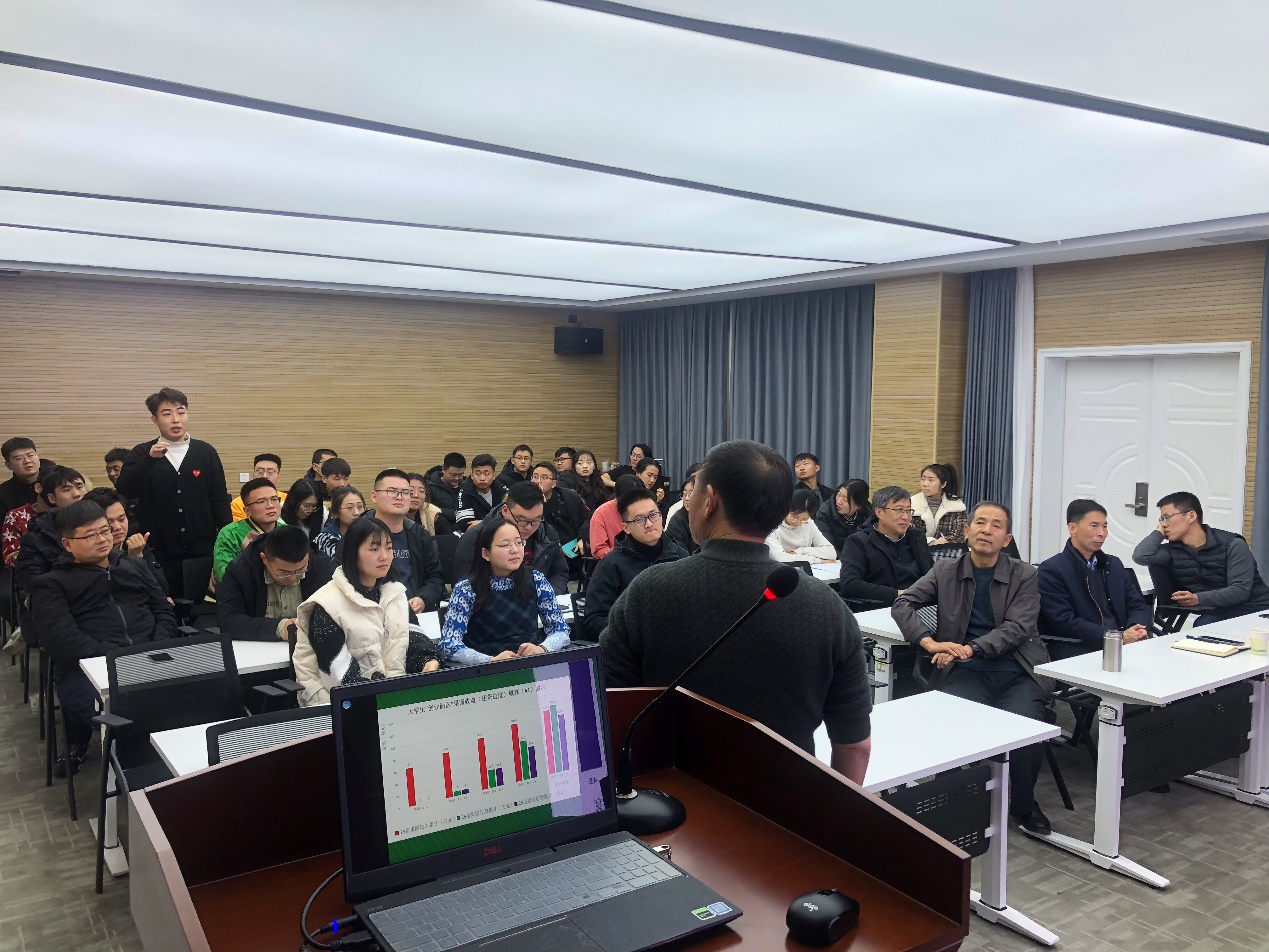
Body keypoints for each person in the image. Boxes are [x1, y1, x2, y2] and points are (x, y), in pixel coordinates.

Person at [601, 440, 872, 782]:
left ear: (710, 499)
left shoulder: (648, 591)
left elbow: (608, 712)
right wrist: (829, 811)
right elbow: (855, 746)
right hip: (787, 804)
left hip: (670, 801)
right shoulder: (828, 608)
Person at [892, 501, 1052, 833]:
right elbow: (903, 603)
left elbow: (1018, 628)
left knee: (1028, 728)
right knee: (952, 726)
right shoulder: (945, 571)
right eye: (980, 523)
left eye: (996, 525)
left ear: (1007, 539)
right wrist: (928, 642)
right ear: (966, 531)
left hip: (1017, 672)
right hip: (966, 672)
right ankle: (955, 799)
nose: (986, 530)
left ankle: (1023, 804)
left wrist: (970, 648)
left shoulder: (1025, 574)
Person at [30, 500, 175, 775]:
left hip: (151, 658)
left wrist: (156, 647)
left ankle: (170, 775)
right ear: (67, 544)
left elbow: (163, 610)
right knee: (135, 717)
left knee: (198, 699)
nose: (102, 540)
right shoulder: (51, 584)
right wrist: (120, 658)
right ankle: (141, 781)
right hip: (89, 671)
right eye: (90, 535)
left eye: (105, 531)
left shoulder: (134, 566)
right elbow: (62, 641)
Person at [292, 517, 440, 707]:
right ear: (353, 553)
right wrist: (390, 699)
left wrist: (428, 661)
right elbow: (341, 677)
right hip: (338, 705)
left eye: (389, 548)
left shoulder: (395, 593)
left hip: (390, 697)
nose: (384, 556)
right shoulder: (327, 604)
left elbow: (414, 637)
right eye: (374, 549)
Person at [115, 387, 232, 596]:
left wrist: (225, 541)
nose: (175, 419)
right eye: (167, 414)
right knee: (168, 604)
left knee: (204, 604)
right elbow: (124, 489)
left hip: (202, 549)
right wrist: (149, 460)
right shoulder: (142, 452)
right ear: (155, 420)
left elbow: (219, 500)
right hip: (159, 551)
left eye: (181, 412)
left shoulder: (205, 452)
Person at [439, 518, 572, 666]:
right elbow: (449, 645)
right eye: (505, 545)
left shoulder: (536, 579)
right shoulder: (466, 589)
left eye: (519, 543)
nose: (515, 550)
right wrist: (489, 660)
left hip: (531, 665)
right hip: (487, 671)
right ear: (486, 553)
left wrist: (542, 648)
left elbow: (560, 630)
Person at [1038, 499, 1152, 659]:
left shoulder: (1113, 564)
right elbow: (1064, 622)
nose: (1102, 533)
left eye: (1104, 526)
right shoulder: (1052, 570)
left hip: (1125, 643)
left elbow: (1137, 605)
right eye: (1094, 526)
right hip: (1081, 647)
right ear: (1072, 528)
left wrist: (1137, 629)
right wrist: (1117, 637)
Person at [1132, 491, 1269, 624]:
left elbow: (1240, 591)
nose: (1163, 524)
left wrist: (1198, 598)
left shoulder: (1232, 544)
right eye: (1161, 519)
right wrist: (1159, 533)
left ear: (1191, 516)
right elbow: (1140, 556)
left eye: (1167, 517)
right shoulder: (1171, 551)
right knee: (1204, 624)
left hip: (1255, 608)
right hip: (1217, 610)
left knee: (1203, 624)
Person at [580, 488, 687, 640]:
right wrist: (635, 631)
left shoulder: (680, 557)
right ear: (626, 528)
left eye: (653, 515)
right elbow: (594, 620)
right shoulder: (611, 565)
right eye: (639, 520)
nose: (649, 524)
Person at [217, 524, 335, 642]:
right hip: (257, 647)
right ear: (264, 559)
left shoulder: (321, 566)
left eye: (301, 570)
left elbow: (336, 613)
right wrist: (280, 628)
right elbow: (229, 622)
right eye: (284, 572)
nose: (292, 578)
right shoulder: (241, 571)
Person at [453, 481, 570, 594]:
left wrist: (548, 594)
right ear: (505, 510)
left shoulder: (547, 534)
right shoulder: (476, 537)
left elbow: (559, 572)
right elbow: (465, 583)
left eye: (536, 520)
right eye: (522, 520)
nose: (529, 527)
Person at [838, 486, 935, 608]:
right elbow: (850, 584)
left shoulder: (916, 537)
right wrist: (900, 594)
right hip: (881, 607)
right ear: (879, 512)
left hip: (919, 605)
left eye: (908, 511)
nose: (905, 517)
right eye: (899, 510)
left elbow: (931, 574)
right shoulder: (859, 541)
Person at [368, 469, 445, 615]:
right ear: (374, 496)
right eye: (392, 491)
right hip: (372, 612)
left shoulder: (419, 534)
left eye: (405, 492)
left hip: (414, 613)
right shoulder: (358, 533)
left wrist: (423, 598)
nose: (399, 497)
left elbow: (435, 577)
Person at [83, 486, 168, 596]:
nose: (118, 527)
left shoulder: (136, 544)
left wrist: (138, 558)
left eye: (122, 519)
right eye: (109, 522)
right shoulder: (86, 554)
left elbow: (162, 591)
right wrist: (133, 562)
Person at [15, 466, 88, 592]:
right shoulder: (37, 536)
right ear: (52, 498)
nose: (77, 494)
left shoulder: (102, 521)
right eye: (66, 490)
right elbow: (31, 580)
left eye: (79, 486)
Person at [213, 478, 283, 583]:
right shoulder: (230, 534)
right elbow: (225, 575)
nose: (270, 505)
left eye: (274, 499)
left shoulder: (287, 531)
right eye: (261, 501)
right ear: (247, 511)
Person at [3, 460, 57, 569]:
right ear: (38, 488)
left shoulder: (72, 513)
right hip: (33, 572)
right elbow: (10, 557)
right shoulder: (16, 516)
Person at [532, 462, 589, 559]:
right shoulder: (526, 501)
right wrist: (542, 505)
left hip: (574, 548)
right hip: (545, 553)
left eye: (544, 478)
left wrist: (583, 538)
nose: (538, 481)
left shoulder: (569, 496)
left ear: (554, 483)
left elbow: (589, 517)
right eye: (535, 477)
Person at [767, 488, 838, 563]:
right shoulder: (771, 525)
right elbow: (780, 558)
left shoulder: (809, 524)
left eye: (804, 519)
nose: (797, 522)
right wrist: (817, 560)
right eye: (794, 516)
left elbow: (831, 553)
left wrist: (801, 551)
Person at [911, 463, 967, 546]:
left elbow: (960, 536)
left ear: (943, 484)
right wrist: (931, 542)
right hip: (917, 549)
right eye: (923, 479)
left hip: (947, 550)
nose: (925, 484)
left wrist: (944, 541)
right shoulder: (912, 503)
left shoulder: (957, 506)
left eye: (931, 480)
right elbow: (908, 533)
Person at [589, 475, 643, 559]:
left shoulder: (647, 509)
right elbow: (598, 550)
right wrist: (626, 555)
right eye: (629, 501)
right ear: (617, 497)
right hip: (618, 560)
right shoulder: (601, 513)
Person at [816, 479, 871, 553]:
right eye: (838, 494)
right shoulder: (825, 512)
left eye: (845, 499)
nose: (839, 502)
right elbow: (827, 547)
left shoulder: (868, 515)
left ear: (858, 506)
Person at [454, 454, 506, 532]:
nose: (482, 478)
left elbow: (511, 518)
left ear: (493, 475)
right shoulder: (464, 492)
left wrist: (483, 522)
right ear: (472, 475)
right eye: (478, 474)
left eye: (486, 474)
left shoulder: (501, 490)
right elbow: (467, 525)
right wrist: (497, 521)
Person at [315, 487, 366, 562]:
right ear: (336, 512)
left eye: (360, 507)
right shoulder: (326, 539)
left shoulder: (371, 533)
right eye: (349, 508)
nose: (356, 513)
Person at [230, 454, 287, 521]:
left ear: (278, 477)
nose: (264, 476)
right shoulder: (238, 503)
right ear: (253, 475)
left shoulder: (287, 499)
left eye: (270, 472)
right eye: (260, 472)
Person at [0, 437, 41, 524]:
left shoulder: (56, 483)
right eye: (18, 458)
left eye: (30, 455)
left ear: (38, 456)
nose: (27, 461)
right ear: (8, 465)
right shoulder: (3, 494)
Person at [425, 452, 466, 532]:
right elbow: (426, 508)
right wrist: (453, 513)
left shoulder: (467, 485)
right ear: (443, 470)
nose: (457, 478)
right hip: (442, 531)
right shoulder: (430, 486)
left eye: (461, 475)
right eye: (453, 475)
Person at [663, 473, 699, 556]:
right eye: (684, 494)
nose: (687, 498)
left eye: (691, 494)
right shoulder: (677, 520)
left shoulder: (711, 518)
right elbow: (679, 554)